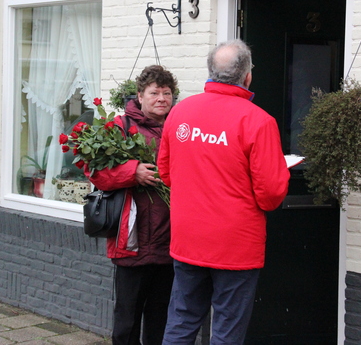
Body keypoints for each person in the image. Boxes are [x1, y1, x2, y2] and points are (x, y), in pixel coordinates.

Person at [157, 39, 290, 344]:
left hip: (188, 238)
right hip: (235, 246)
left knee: (182, 320)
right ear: (247, 76)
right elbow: (270, 194)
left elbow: (166, 173)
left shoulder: (180, 113)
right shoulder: (258, 121)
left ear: (210, 72)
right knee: (227, 331)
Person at [87, 65, 177, 345]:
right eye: (154, 93)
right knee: (127, 320)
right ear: (139, 96)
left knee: (161, 319)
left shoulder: (179, 129)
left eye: (167, 92)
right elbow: (94, 172)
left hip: (171, 241)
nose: (162, 98)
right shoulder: (120, 127)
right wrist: (132, 172)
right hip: (133, 241)